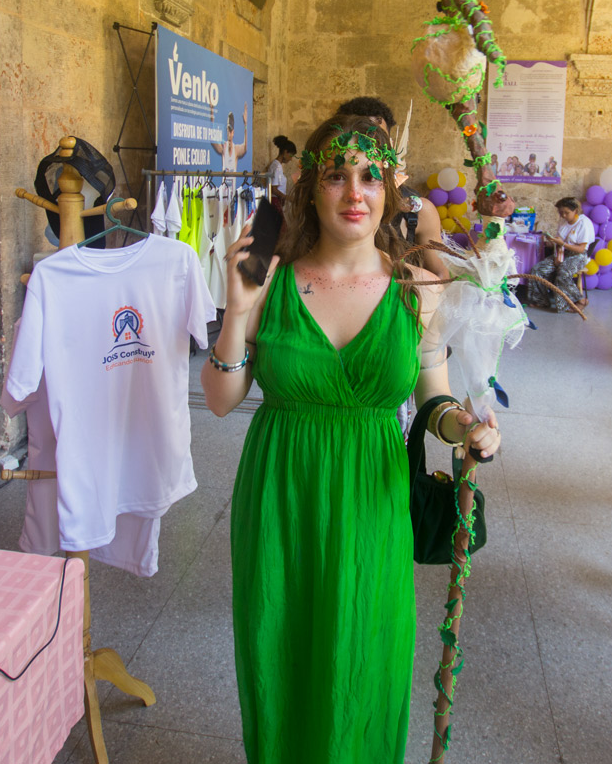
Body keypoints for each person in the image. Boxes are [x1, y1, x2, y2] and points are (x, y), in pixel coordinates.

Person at [202, 115, 501, 763]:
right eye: (336, 175)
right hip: (282, 499)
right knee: (279, 655)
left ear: (389, 187)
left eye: (369, 175)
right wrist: (237, 310)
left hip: (373, 500)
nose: (354, 191)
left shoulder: (415, 288)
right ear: (312, 188)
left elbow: (436, 400)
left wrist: (467, 429)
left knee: (368, 659)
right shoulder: (272, 277)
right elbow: (221, 399)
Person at [336, 96, 449, 279]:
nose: (367, 148)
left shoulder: (418, 211)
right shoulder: (320, 205)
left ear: (392, 147)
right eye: (357, 137)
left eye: (378, 138)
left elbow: (440, 273)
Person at [526, 197, 593, 312]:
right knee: (538, 270)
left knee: (564, 272)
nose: (563, 216)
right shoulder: (563, 222)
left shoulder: (584, 223)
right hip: (562, 252)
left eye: (566, 213)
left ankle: (580, 300)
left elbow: (581, 249)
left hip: (578, 256)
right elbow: (560, 240)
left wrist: (563, 244)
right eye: (561, 213)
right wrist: (551, 242)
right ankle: (541, 301)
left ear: (575, 211)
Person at [211, 102, 248, 173]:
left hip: (233, 184)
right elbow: (213, 140)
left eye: (230, 131)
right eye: (228, 131)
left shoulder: (236, 149)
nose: (229, 134)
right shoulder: (223, 147)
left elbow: (245, 148)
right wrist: (212, 113)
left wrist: (245, 124)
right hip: (224, 184)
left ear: (233, 132)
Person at [266, 134, 296, 210]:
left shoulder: (276, 165)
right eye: (291, 155)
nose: (291, 159)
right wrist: (288, 198)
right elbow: (274, 189)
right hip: (275, 202)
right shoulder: (277, 167)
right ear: (285, 152)